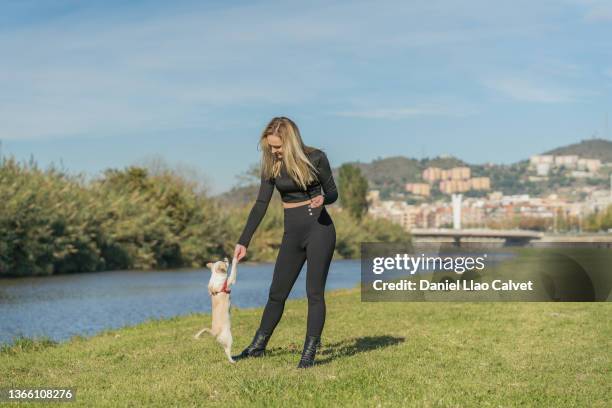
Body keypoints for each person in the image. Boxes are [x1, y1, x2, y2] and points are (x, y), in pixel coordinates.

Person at [232, 116, 338, 368]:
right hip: (292, 233)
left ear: (289, 142)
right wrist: (243, 241)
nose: (273, 150)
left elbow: (333, 192)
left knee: (314, 293)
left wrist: (323, 198)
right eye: (270, 146)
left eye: (278, 146)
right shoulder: (272, 165)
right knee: (276, 293)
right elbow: (261, 204)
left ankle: (308, 353)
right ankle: (257, 347)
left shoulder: (316, 158)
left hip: (319, 229)